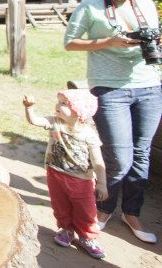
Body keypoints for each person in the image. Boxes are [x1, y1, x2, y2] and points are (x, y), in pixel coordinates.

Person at [63, 0, 161, 245]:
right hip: (110, 88)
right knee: (118, 156)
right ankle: (104, 208)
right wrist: (109, 42)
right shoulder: (91, 7)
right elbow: (70, 43)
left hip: (149, 86)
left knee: (142, 154)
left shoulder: (145, 4)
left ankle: (132, 213)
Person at [22, 90, 108, 259]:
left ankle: (87, 237)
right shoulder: (55, 122)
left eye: (64, 104)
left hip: (81, 180)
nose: (57, 106)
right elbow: (34, 120)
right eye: (58, 102)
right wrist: (29, 108)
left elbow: (98, 161)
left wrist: (102, 183)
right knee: (60, 205)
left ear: (79, 111)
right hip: (55, 173)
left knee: (85, 211)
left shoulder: (88, 134)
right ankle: (66, 229)